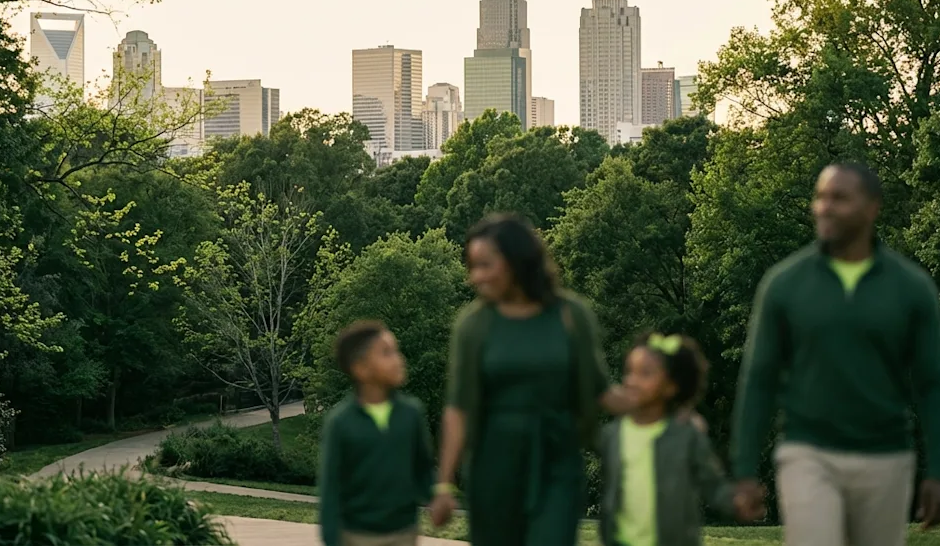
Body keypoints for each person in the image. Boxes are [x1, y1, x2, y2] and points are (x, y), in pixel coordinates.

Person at [731, 162, 940, 546]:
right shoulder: (784, 284)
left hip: (886, 457)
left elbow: (934, 384)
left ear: (872, 208)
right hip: (808, 452)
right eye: (820, 197)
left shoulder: (910, 287)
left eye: (839, 198)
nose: (824, 207)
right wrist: (744, 470)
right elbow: (759, 380)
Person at [429, 214, 632, 546]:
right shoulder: (474, 325)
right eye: (472, 267)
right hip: (493, 466)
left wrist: (659, 404)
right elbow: (458, 407)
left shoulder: (570, 315)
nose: (475, 277)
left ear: (517, 261)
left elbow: (600, 391)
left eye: (485, 265)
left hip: (557, 462)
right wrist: (443, 484)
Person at [599, 331, 762, 546]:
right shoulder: (612, 434)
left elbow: (712, 484)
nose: (631, 381)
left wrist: (736, 502)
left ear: (671, 387)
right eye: (629, 371)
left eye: (645, 374)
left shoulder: (687, 436)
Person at [319, 320, 434, 546]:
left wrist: (437, 496)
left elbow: (423, 469)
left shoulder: (411, 414)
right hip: (357, 536)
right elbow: (331, 491)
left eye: (396, 351)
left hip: (404, 533)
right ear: (361, 368)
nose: (398, 359)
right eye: (386, 353)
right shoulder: (341, 422)